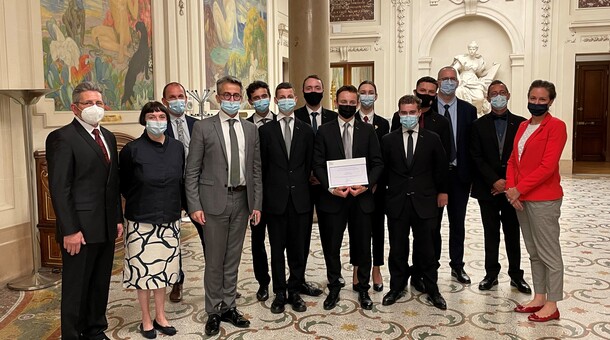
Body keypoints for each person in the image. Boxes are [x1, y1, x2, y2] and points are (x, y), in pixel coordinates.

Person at [185, 75, 262, 336]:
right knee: (214, 260)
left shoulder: (251, 129)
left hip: (242, 201)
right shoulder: (203, 128)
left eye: (236, 96)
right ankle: (213, 311)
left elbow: (255, 170)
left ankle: (229, 306)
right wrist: (194, 205)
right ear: (218, 98)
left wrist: (257, 204)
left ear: (241, 98)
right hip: (213, 203)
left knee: (233, 259)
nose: (232, 100)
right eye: (227, 96)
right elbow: (192, 171)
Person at [46, 81, 123, 340]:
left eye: (99, 103)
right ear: (74, 108)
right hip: (78, 229)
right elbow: (60, 188)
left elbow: (112, 184)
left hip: (105, 226)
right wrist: (70, 230)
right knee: (77, 286)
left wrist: (117, 218)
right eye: (88, 103)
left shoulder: (109, 137)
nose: (94, 107)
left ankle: (95, 328)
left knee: (100, 282)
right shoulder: (61, 138)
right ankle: (72, 334)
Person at [313, 85, 384, 311]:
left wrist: (366, 185)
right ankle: (334, 285)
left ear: (357, 103)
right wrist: (330, 188)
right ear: (336, 102)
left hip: (360, 199)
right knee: (331, 245)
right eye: (343, 102)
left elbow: (378, 163)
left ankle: (363, 288)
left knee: (363, 245)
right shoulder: (324, 131)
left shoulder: (368, 130)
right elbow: (317, 164)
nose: (348, 105)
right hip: (333, 199)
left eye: (352, 102)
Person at [506, 80, 567, 322]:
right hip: (521, 198)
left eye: (542, 100)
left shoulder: (556, 127)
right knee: (533, 252)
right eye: (533, 98)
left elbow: (547, 167)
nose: (537, 103)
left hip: (544, 199)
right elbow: (513, 159)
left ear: (551, 101)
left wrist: (518, 189)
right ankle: (539, 296)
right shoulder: (523, 125)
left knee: (549, 252)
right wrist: (512, 189)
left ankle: (552, 304)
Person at [120, 101, 182, 339]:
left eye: (161, 116)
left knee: (163, 271)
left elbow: (180, 178)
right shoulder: (132, 150)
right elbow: (124, 185)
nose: (158, 120)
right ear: (144, 120)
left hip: (169, 218)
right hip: (140, 220)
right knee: (143, 272)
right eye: (152, 116)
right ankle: (145, 318)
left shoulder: (177, 147)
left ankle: (161, 315)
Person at [381, 95, 448, 310]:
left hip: (425, 201)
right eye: (404, 113)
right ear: (399, 114)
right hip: (397, 202)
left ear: (419, 113)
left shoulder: (432, 138)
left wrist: (443, 191)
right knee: (398, 248)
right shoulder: (388, 140)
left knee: (427, 249)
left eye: (412, 112)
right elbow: (383, 173)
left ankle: (432, 288)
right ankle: (397, 287)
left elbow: (441, 168)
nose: (408, 116)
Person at [470, 80, 531, 294]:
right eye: (494, 93)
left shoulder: (523, 124)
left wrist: (507, 184)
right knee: (491, 233)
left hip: (513, 190)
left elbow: (523, 158)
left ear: (509, 95)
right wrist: (494, 181)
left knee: (513, 233)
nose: (498, 96)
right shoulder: (478, 125)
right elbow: (475, 157)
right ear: (487, 98)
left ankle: (516, 275)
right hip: (488, 189)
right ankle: (491, 274)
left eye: (502, 92)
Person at [259, 82, 315, 314]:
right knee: (277, 249)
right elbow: (261, 168)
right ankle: (279, 292)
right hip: (275, 201)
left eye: (290, 96)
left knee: (298, 249)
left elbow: (310, 165)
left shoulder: (306, 130)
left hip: (301, 199)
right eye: (281, 97)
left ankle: (294, 290)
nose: (286, 100)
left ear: (295, 98)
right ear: (275, 100)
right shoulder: (265, 131)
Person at [294, 74, 339, 295]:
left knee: (330, 234)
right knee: (300, 236)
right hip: (300, 186)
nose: (313, 90)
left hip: (327, 186)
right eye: (309, 87)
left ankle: (333, 278)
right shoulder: (294, 116)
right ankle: (299, 278)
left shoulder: (334, 117)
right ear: (302, 91)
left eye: (317, 87)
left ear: (324, 90)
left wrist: (322, 176)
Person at [435, 66, 478, 284]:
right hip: (433, 179)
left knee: (457, 224)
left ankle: (457, 266)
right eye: (445, 79)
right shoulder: (427, 108)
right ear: (438, 82)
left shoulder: (468, 111)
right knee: (432, 225)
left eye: (452, 79)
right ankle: (430, 266)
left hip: (459, 176)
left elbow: (472, 146)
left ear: (458, 82)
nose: (449, 82)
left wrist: (470, 176)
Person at [161, 81, 203, 303]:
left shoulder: (198, 125)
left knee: (209, 236)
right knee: (172, 238)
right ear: (164, 101)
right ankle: (176, 281)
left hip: (196, 189)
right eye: (172, 97)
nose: (178, 101)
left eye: (181, 96)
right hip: (171, 192)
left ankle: (216, 282)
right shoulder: (158, 125)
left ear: (187, 99)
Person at [353, 80, 389, 292]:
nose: (367, 96)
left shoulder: (384, 124)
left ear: (376, 97)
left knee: (377, 229)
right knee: (358, 230)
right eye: (363, 92)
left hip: (378, 188)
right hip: (355, 188)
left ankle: (376, 268)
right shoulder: (350, 119)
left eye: (370, 92)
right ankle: (357, 267)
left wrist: (374, 183)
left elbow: (385, 157)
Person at [245, 80, 275, 302]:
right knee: (257, 240)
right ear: (250, 101)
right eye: (256, 97)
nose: (261, 100)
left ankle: (287, 280)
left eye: (264, 95)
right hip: (255, 194)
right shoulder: (245, 127)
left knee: (281, 240)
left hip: (279, 193)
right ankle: (263, 282)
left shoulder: (283, 122)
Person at [451, 41, 490, 114]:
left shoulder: (478, 61)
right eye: (470, 49)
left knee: (480, 98)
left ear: (476, 50)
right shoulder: (463, 59)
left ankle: (476, 113)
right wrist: (459, 79)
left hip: (474, 81)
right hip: (464, 80)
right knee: (459, 91)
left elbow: (480, 73)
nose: (472, 51)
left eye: (473, 49)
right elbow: (454, 68)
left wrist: (491, 70)